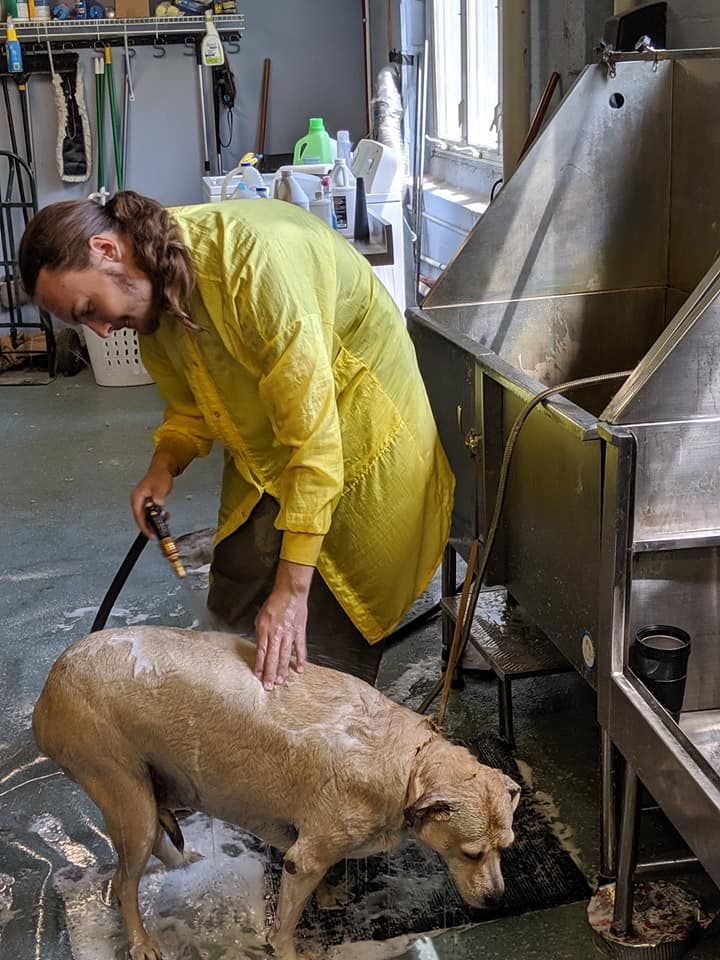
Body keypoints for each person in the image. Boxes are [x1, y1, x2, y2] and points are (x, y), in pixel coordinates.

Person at [19, 190, 455, 690]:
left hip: (354, 434)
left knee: (314, 672)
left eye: (89, 307)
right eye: (83, 322)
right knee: (232, 609)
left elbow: (315, 448)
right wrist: (161, 469)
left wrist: (291, 593)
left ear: (106, 249)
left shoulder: (250, 270)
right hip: (272, 444)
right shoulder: (151, 292)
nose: (99, 331)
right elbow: (190, 404)